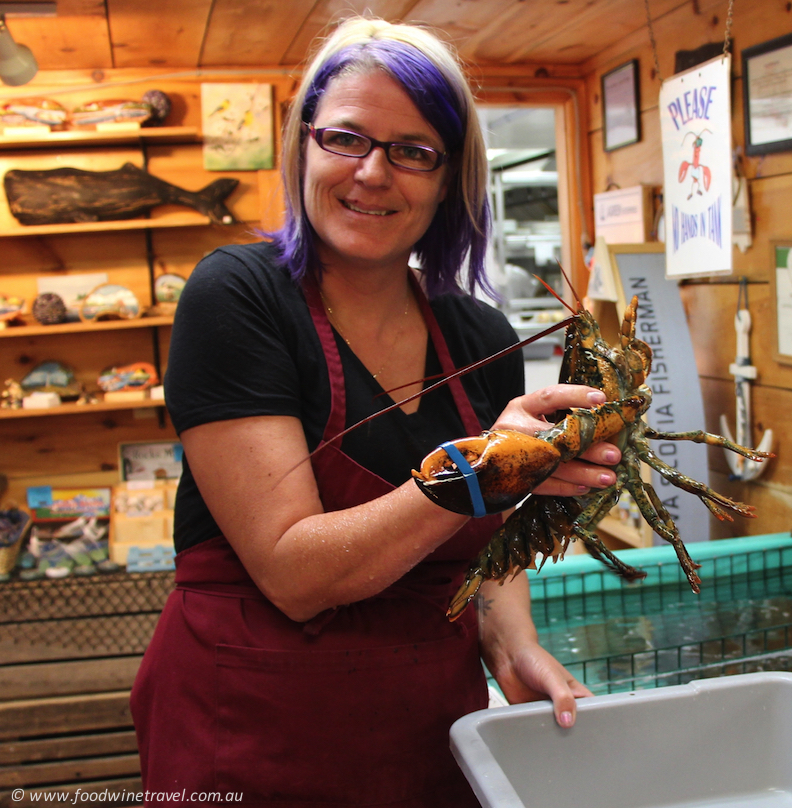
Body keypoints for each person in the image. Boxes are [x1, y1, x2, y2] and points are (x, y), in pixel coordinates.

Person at [130, 16, 622, 807]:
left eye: (412, 151)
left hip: (434, 732)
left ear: (449, 177)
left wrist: (513, 643)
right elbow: (292, 571)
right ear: (303, 146)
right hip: (252, 727)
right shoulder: (238, 296)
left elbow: (484, 558)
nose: (372, 174)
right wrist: (482, 470)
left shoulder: (479, 331)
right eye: (346, 139)